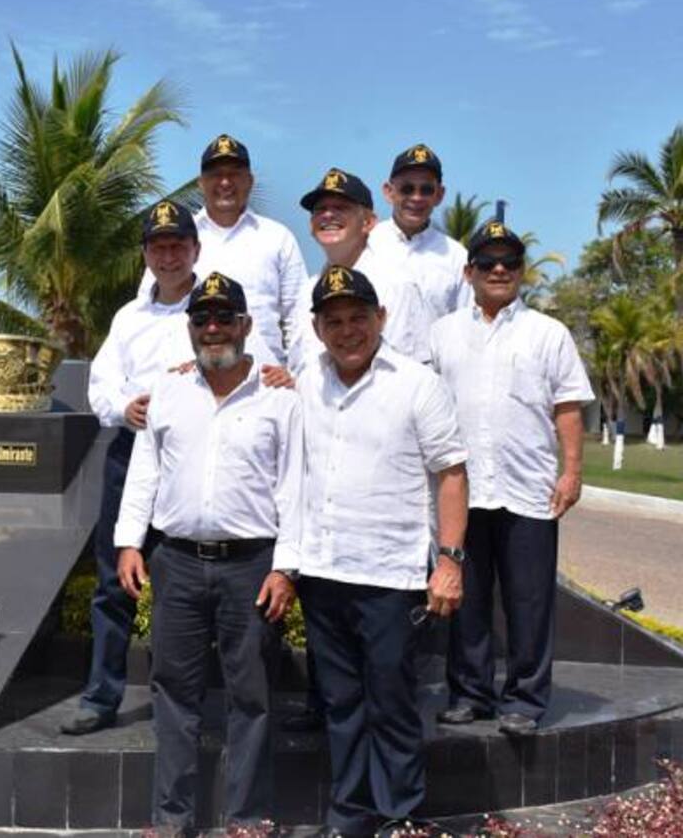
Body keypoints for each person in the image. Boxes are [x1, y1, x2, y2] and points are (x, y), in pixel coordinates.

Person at [61, 200, 279, 737]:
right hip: (133, 454)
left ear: (195, 249)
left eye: (178, 244)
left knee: (206, 584)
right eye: (158, 246)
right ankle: (102, 695)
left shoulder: (224, 305)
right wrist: (124, 407)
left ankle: (218, 703)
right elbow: (100, 385)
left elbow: (271, 370)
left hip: (208, 461)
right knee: (116, 581)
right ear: (145, 254)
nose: (169, 254)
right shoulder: (128, 317)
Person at [114, 272, 304, 832]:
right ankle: (172, 820)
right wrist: (130, 541)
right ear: (190, 327)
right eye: (203, 319)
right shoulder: (167, 390)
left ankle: (247, 818)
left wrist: (286, 567)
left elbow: (294, 486)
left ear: (246, 325)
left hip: (251, 565)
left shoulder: (279, 397)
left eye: (225, 318)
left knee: (253, 695)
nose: (214, 328)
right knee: (173, 691)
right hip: (177, 561)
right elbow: (145, 471)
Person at [295, 265, 468, 837]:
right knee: (342, 706)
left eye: (358, 318)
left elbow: (451, 473)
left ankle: (399, 815)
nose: (348, 331)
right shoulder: (302, 382)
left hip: (391, 577)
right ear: (318, 328)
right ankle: (350, 813)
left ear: (381, 319)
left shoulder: (417, 383)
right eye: (335, 321)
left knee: (391, 704)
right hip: (322, 573)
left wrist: (450, 561)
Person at [431, 220, 594, 736]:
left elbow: (568, 408)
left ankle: (524, 698)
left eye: (508, 262)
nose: (498, 270)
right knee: (468, 601)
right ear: (469, 271)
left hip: (528, 490)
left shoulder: (549, 333)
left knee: (529, 601)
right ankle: (470, 693)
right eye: (487, 262)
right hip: (464, 491)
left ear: (521, 271)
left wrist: (572, 472)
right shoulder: (443, 334)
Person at [139, 134, 308, 363]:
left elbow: (299, 318)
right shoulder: (177, 242)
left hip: (265, 384)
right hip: (187, 382)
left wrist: (295, 374)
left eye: (234, 174)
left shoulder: (278, 238)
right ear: (200, 183)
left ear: (249, 180)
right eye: (216, 175)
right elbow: (148, 314)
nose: (225, 182)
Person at [288, 168, 432, 376]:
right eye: (320, 209)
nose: (328, 215)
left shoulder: (395, 283)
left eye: (340, 208)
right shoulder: (307, 289)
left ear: (368, 222)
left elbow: (409, 371)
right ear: (311, 225)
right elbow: (300, 365)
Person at [369, 143, 471, 319]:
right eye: (407, 189)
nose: (416, 198)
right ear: (388, 192)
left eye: (426, 190)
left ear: (439, 195)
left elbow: (466, 325)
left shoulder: (457, 257)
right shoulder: (366, 244)